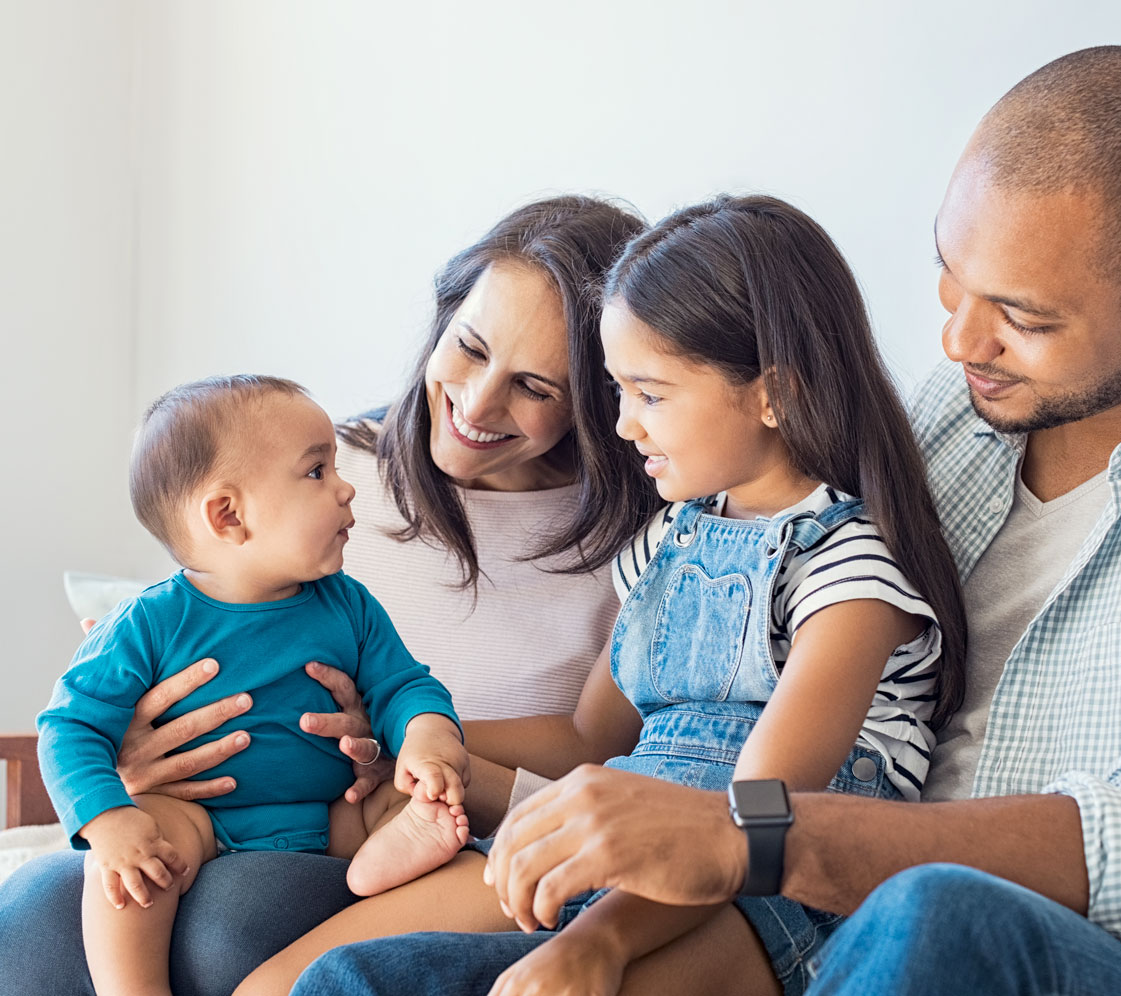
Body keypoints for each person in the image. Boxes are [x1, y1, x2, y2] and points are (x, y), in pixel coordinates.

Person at [293, 46, 1121, 996]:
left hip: (1069, 952)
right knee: (359, 984)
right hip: (819, 911)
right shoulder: (954, 418)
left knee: (933, 915)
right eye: (950, 279)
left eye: (1023, 316)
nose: (962, 341)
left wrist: (749, 839)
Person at [234, 193, 968, 996]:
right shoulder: (669, 542)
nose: (620, 427)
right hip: (615, 841)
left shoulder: (848, 573)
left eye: (649, 395)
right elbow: (589, 735)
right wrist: (407, 729)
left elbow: (758, 822)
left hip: (759, 894)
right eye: (617, 392)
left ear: (773, 395)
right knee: (294, 985)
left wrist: (598, 944)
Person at [0, 195, 656, 996]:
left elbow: (599, 746)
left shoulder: (646, 541)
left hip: (408, 820)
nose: (478, 405)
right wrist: (127, 764)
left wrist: (402, 745)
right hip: (207, 810)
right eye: (470, 347)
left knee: (225, 924)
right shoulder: (322, 468)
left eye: (535, 386)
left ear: (602, 392)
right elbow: (176, 632)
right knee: (32, 910)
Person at [38, 375, 474, 995]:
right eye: (317, 472)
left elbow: (404, 686)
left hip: (333, 813)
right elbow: (69, 726)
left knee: (410, 804)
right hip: (201, 817)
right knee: (135, 864)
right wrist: (108, 823)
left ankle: (383, 861)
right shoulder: (150, 621)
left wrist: (428, 742)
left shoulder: (348, 605)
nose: (347, 487)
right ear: (229, 515)